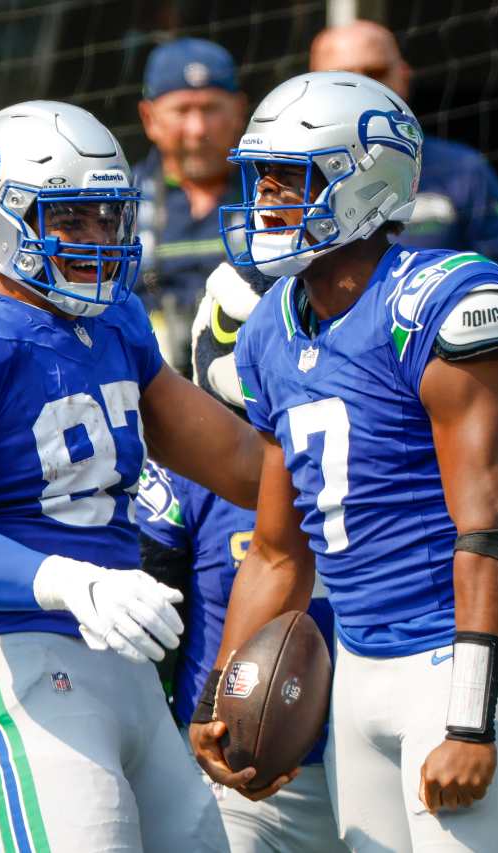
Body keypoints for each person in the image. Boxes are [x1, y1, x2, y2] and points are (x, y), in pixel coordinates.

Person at [189, 71, 498, 853]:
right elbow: (275, 551)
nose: (266, 202)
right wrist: (215, 701)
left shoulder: (438, 300)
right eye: (262, 179)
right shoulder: (266, 330)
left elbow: (488, 527)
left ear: (363, 179)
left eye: (290, 180)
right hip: (358, 656)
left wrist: (469, 718)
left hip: (462, 645)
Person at [0, 99, 264, 852]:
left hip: (125, 662)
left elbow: (247, 465)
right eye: (69, 220)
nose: (95, 241)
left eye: (105, 217)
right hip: (21, 653)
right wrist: (75, 582)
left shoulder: (117, 322)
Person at [137, 262, 341, 853]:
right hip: (235, 759)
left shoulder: (384, 437)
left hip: (365, 748)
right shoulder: (186, 472)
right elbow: (148, 637)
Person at [309, 21, 498, 429]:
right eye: (345, 79)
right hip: (323, 402)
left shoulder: (466, 173)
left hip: (446, 401)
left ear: (404, 77)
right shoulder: (288, 182)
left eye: (376, 73)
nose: (365, 89)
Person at [135, 38, 248, 374]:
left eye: (211, 108)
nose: (197, 130)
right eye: (182, 110)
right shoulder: (119, 207)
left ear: (239, 110)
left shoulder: (277, 195)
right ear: (149, 117)